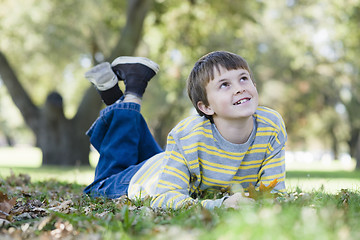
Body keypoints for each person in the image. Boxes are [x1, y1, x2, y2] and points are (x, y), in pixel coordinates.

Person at [83, 51, 287, 210]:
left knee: (139, 152)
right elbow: (164, 197)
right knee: (98, 188)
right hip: (146, 178)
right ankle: (132, 91)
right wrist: (221, 205)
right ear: (206, 107)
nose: (240, 87)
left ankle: (120, 92)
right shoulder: (187, 136)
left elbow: (273, 192)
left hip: (173, 165)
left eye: (243, 78)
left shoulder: (271, 125)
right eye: (224, 84)